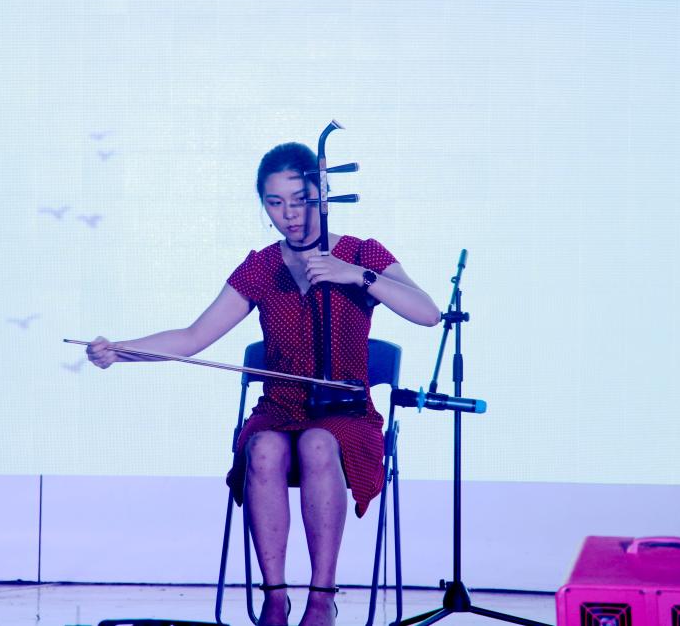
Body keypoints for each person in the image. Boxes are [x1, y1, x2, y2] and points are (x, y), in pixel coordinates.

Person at [87, 142, 440, 626]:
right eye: (275, 203)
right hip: (279, 411)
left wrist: (354, 275)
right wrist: (120, 351)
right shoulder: (261, 267)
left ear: (323, 194)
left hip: (345, 416)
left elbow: (428, 313)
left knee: (318, 443)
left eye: (300, 200)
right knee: (265, 448)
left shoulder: (362, 253)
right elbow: (193, 337)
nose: (289, 215)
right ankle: (275, 598)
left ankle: (322, 599)